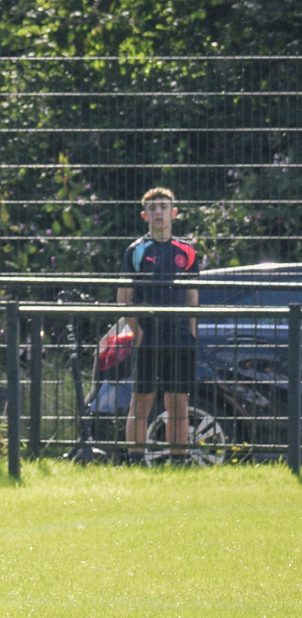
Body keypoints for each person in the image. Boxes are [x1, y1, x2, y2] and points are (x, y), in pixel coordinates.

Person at [118, 187, 203, 460]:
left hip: (179, 337)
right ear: (145, 215)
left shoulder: (187, 251)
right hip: (150, 336)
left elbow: (192, 294)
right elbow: (123, 297)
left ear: (173, 213)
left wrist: (191, 331)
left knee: (178, 401)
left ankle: (179, 460)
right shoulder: (136, 250)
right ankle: (135, 460)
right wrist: (138, 332)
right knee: (142, 401)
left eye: (164, 207)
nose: (158, 212)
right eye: (153, 208)